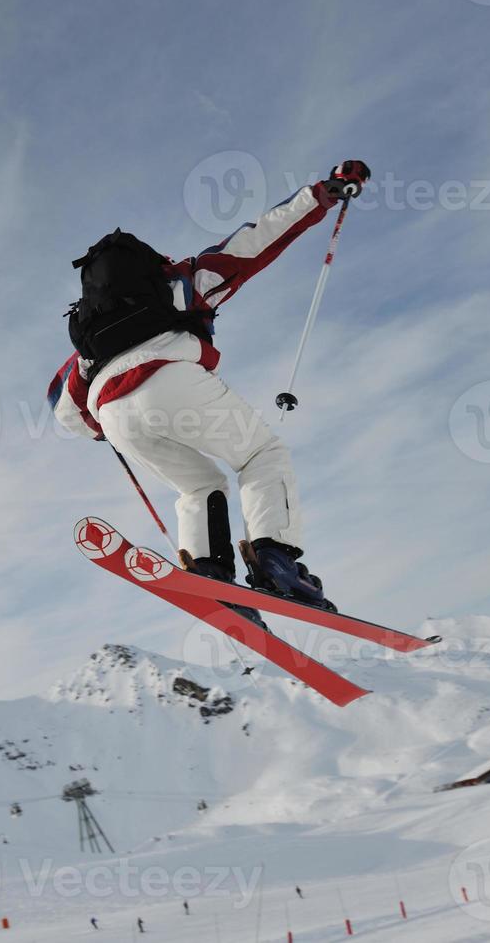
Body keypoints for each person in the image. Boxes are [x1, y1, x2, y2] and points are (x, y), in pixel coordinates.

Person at [49, 161, 372, 615]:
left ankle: (210, 572)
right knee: (261, 455)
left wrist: (101, 429)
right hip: (172, 378)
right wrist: (325, 193)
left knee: (198, 485)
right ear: (149, 262)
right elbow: (257, 239)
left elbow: (64, 408)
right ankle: (276, 560)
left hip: (112, 411)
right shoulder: (180, 282)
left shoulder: (85, 336)